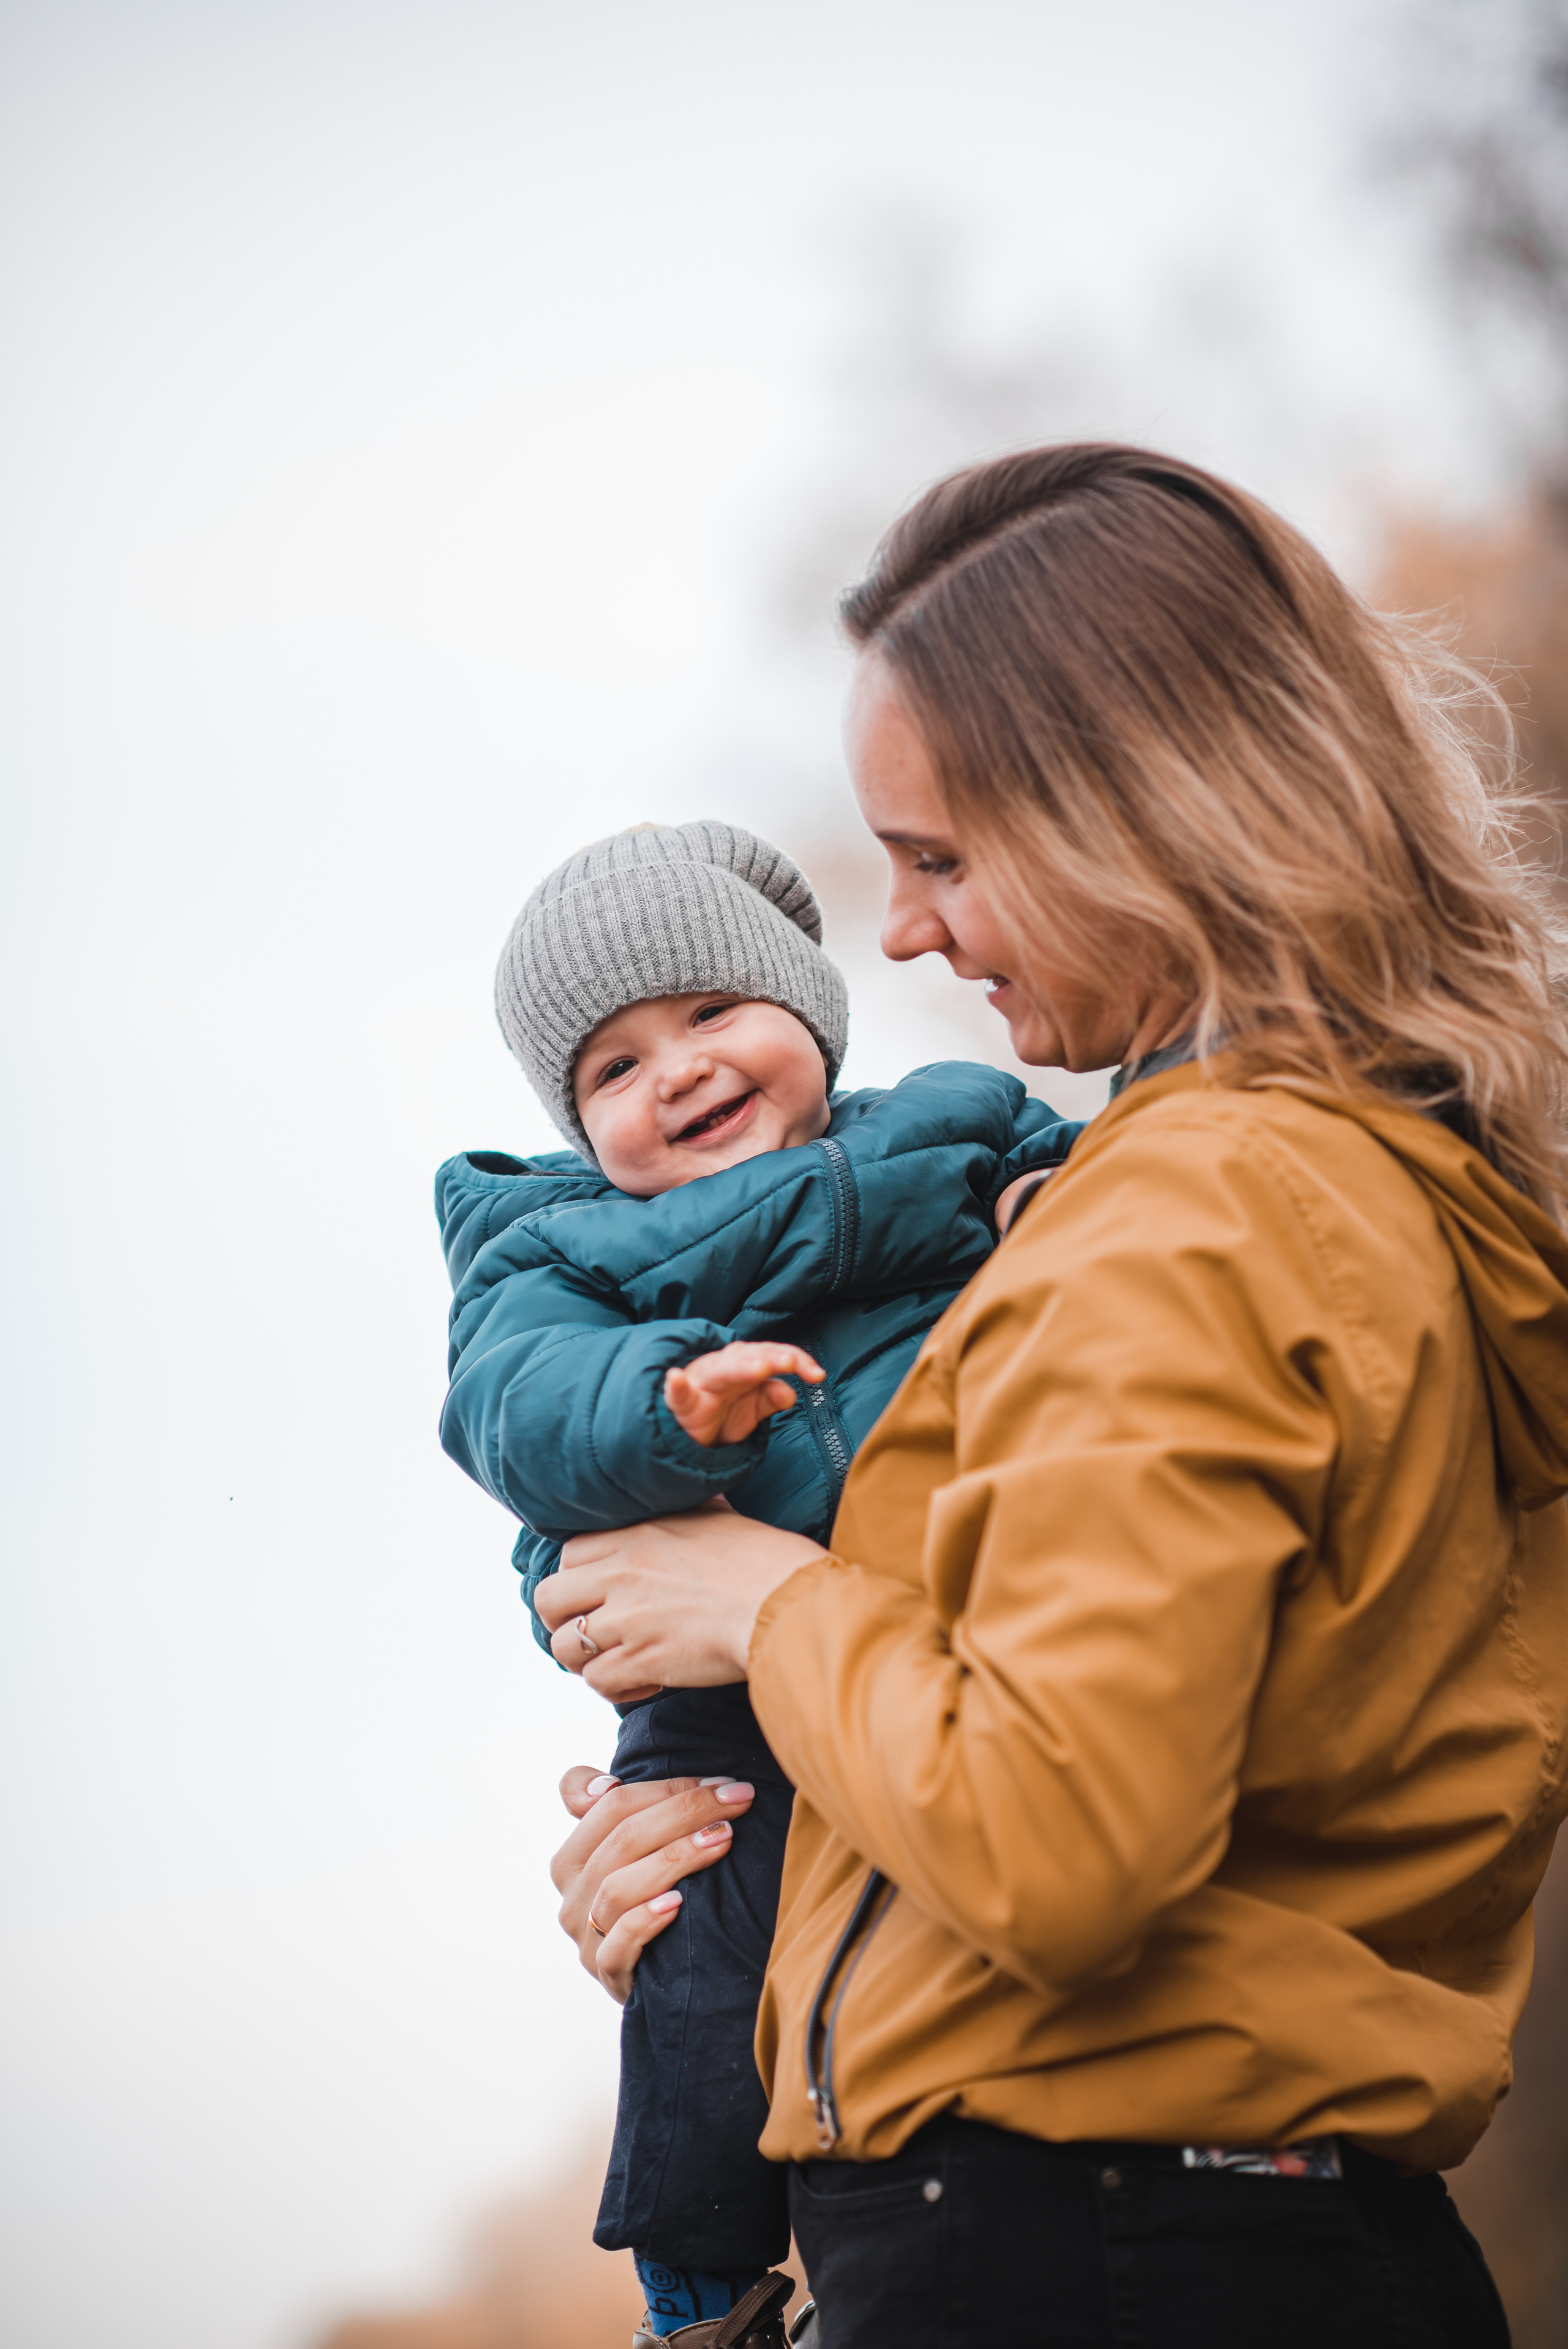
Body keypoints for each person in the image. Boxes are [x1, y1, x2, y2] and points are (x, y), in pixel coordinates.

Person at [537, 444, 1568, 2348]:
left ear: (1146, 812)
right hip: (1183, 2232)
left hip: (1098, 2246)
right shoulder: (1293, 1182)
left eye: (940, 858)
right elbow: (1095, 1787)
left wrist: (759, 1607)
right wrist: (732, 1923)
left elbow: (1065, 1842)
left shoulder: (1210, 1205)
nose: (909, 932)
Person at [435, 819, 1078, 2347]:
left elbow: (1091, 1199)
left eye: (710, 1015)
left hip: (944, 1631)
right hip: (721, 1697)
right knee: (701, 1964)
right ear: (576, 1125)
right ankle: (699, 2288)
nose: (674, 1071)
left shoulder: (957, 1123)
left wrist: (1050, 1217)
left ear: (805, 1007)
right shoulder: (565, 1250)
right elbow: (513, 1407)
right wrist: (666, 1405)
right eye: (611, 1066)